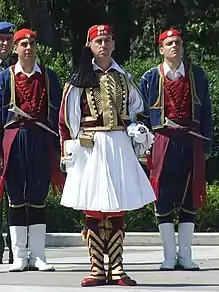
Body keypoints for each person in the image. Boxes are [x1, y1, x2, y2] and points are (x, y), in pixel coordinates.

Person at [59, 24, 156, 286]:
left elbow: (137, 108)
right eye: (98, 40)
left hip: (118, 144)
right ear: (89, 45)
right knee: (93, 205)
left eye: (108, 40)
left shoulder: (123, 77)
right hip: (91, 146)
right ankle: (96, 267)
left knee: (116, 206)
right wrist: (70, 147)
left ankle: (116, 266)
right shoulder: (79, 78)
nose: (103, 44)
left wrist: (137, 129)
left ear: (114, 44)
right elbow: (68, 118)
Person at [140, 29, 212, 271]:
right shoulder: (149, 78)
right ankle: (169, 255)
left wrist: (207, 145)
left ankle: (186, 255)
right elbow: (140, 115)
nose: (175, 47)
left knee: (191, 196)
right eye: (169, 43)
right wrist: (142, 143)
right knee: (163, 196)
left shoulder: (198, 76)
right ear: (161, 49)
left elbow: (207, 113)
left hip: (191, 141)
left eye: (178, 43)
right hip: (162, 141)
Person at [0, 28, 64, 272]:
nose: (28, 48)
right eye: (23, 44)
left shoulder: (49, 77)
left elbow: (58, 115)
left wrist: (59, 148)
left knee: (38, 196)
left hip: (40, 139)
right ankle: (19, 255)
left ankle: (38, 255)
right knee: (16, 197)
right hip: (13, 139)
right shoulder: (5, 78)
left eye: (32, 44)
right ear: (15, 49)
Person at [0, 21, 17, 265]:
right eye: (0, 38)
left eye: (7, 40)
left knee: (14, 193)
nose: (4, 43)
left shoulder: (19, 68)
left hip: (13, 138)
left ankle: (17, 249)